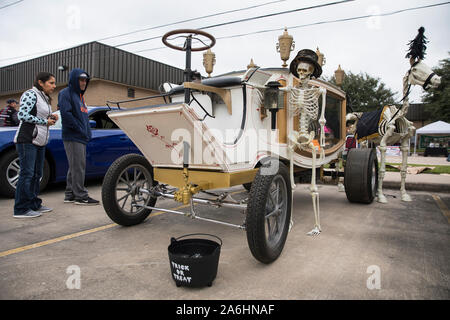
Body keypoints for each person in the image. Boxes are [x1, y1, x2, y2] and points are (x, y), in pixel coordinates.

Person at [13, 72, 58, 218]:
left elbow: (39, 116)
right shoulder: (30, 94)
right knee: (27, 174)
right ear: (40, 82)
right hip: (27, 140)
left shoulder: (44, 98)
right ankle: (21, 209)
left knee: (37, 174)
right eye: (51, 83)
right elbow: (22, 115)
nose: (54, 86)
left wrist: (51, 117)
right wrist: (45, 121)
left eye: (54, 83)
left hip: (40, 140)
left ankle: (33, 204)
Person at [58, 68, 99, 205]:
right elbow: (66, 114)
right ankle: (81, 196)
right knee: (78, 167)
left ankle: (69, 194)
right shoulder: (66, 93)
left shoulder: (80, 97)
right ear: (74, 80)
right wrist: (81, 130)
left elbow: (83, 118)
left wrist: (87, 132)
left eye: (85, 80)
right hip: (73, 136)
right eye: (81, 80)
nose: (83, 82)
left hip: (80, 137)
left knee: (74, 166)